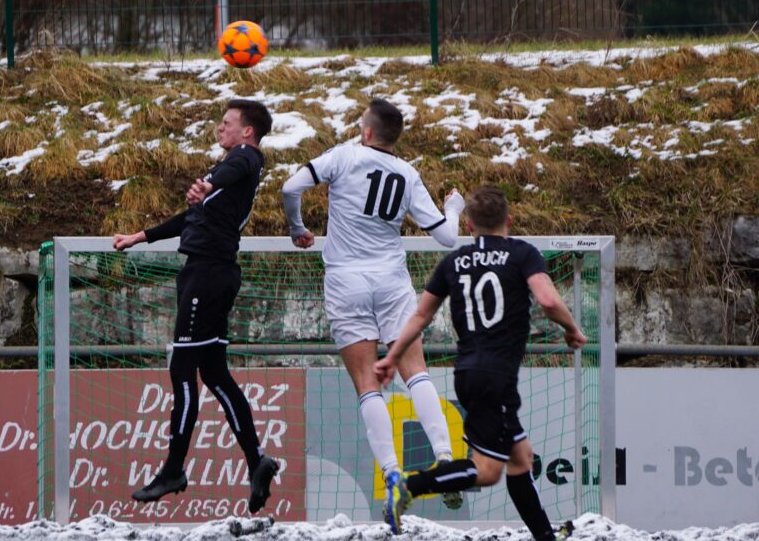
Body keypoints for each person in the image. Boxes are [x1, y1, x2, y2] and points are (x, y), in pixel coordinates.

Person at [281, 98, 466, 530]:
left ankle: (392, 474)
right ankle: (444, 458)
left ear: (366, 132)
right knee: (415, 371)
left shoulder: (344, 155)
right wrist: (454, 208)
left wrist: (297, 228)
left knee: (368, 385)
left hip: (347, 281)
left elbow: (291, 187)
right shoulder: (407, 173)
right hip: (392, 281)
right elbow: (446, 238)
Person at [374, 186, 586, 539]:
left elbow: (421, 315)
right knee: (488, 471)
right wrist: (572, 329)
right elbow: (548, 300)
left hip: (469, 372)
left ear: (468, 225)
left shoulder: (453, 262)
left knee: (521, 457)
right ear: (510, 219)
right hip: (496, 377)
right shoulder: (522, 254)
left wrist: (393, 356)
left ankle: (545, 536)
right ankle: (408, 486)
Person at [113, 99, 279, 513]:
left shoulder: (245, 158)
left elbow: (234, 169)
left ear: (247, 132)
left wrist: (209, 185)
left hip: (208, 275)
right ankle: (257, 461)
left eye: (227, 123)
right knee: (216, 374)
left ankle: (173, 469)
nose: (219, 128)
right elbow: (188, 219)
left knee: (183, 369)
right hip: (207, 272)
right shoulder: (225, 171)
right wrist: (141, 236)